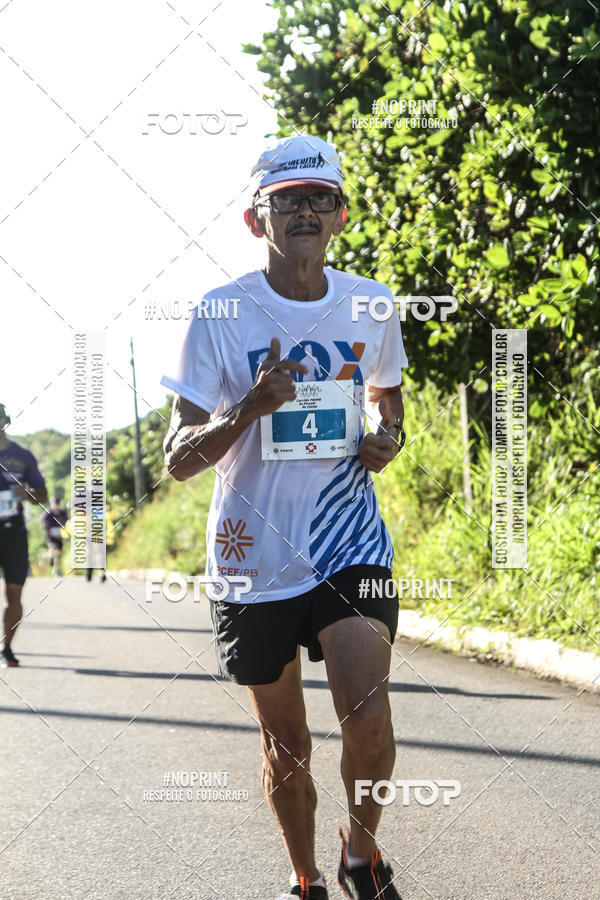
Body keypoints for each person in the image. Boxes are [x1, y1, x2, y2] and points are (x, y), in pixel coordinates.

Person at [161, 135, 407, 899]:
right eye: (286, 199)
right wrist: (248, 410)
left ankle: (360, 854)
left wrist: (388, 437)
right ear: (253, 217)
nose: (305, 210)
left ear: (341, 216)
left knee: (366, 715)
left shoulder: (371, 302)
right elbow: (176, 457)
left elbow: (387, 397)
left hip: (347, 539)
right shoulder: (220, 312)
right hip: (252, 555)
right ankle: (303, 879)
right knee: (288, 743)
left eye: (319, 198)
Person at [0, 403, 48, 667]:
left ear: (5, 421)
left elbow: (42, 494)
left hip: (14, 532)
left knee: (14, 594)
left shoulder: (23, 456)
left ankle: (7, 647)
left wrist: (27, 494)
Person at [41, 496, 68, 576]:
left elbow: (66, 522)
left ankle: (55, 570)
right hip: (51, 534)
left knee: (58, 553)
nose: (55, 505)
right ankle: (51, 557)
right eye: (54, 503)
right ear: (51, 504)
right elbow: (42, 522)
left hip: (60, 534)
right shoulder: (47, 513)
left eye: (57, 503)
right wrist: (46, 530)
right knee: (52, 548)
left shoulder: (63, 513)